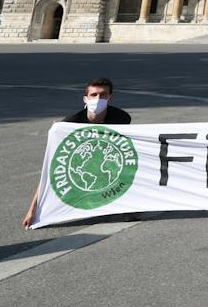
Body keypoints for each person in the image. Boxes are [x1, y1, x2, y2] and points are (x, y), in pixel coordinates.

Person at [20, 78, 131, 228]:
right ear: (86, 98)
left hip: (105, 161)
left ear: (110, 97)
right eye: (93, 95)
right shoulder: (70, 124)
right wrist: (32, 211)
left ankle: (127, 206)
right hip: (86, 165)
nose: (98, 99)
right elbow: (50, 169)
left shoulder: (121, 118)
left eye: (103, 95)